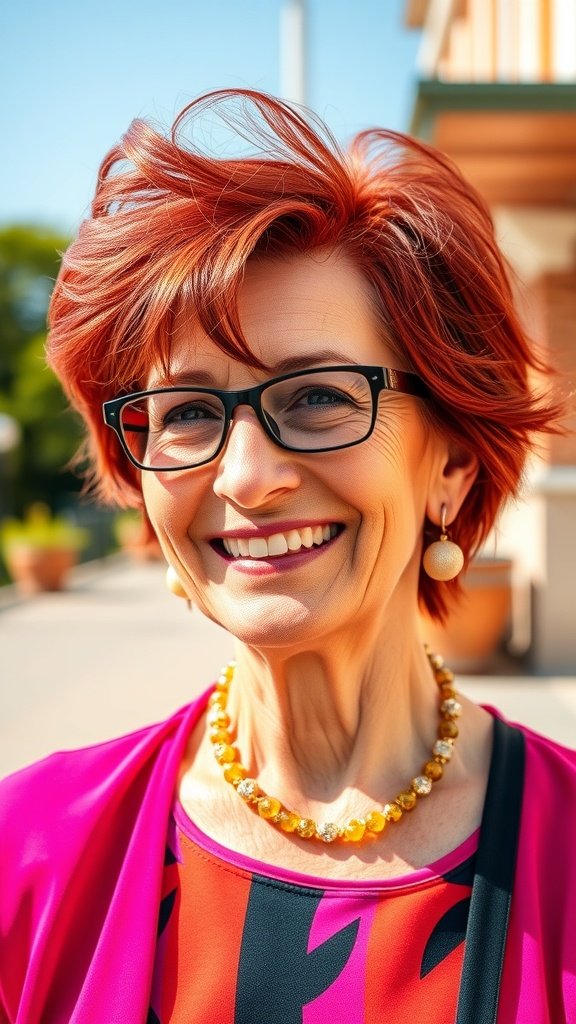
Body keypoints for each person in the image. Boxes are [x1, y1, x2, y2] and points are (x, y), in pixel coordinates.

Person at [0, 89, 574, 1024]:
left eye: (317, 396)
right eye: (189, 412)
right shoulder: (26, 853)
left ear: (452, 466)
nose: (247, 477)